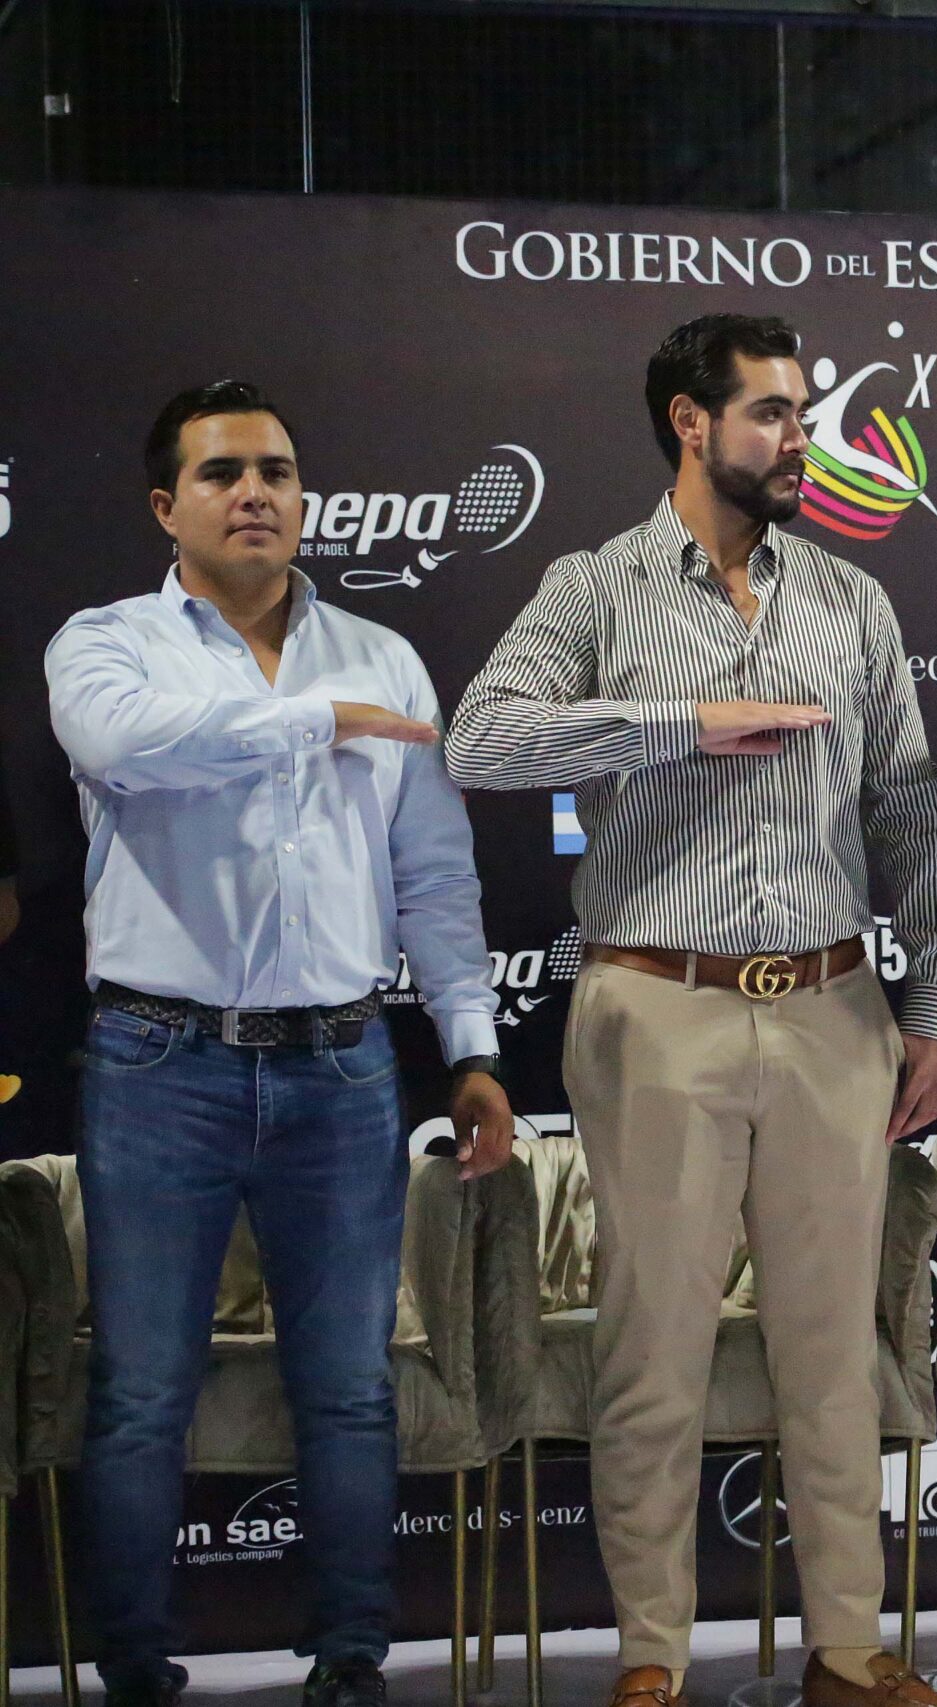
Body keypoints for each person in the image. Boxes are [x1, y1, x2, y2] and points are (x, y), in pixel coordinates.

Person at [445, 316, 937, 1707]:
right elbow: (480, 738)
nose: (801, 438)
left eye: (803, 413)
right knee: (655, 1347)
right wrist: (681, 721)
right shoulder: (595, 585)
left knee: (835, 1347)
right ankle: (652, 1659)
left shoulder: (853, 600)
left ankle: (849, 1649)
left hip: (833, 1007)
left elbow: (910, 810)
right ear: (691, 423)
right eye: (772, 414)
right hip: (655, 1004)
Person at [45, 380, 513, 1707]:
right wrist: (315, 720)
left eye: (278, 470)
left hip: (344, 1067)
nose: (255, 492)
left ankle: (351, 1657)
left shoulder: (383, 657)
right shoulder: (107, 644)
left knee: (350, 1387)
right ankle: (134, 1668)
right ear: (166, 505)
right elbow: (129, 750)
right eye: (222, 473)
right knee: (143, 1391)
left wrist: (470, 1044)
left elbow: (434, 873)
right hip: (159, 1063)